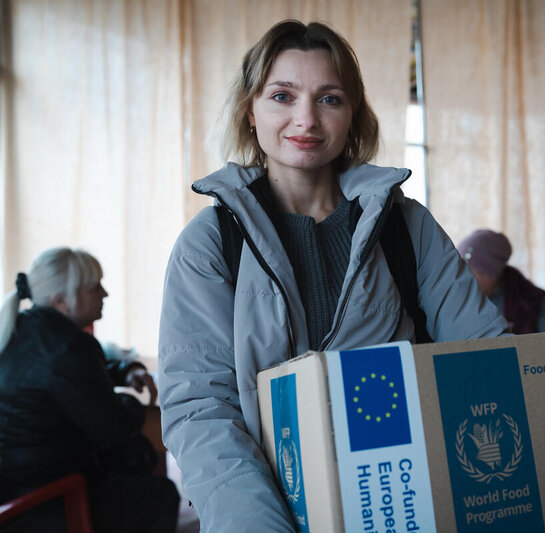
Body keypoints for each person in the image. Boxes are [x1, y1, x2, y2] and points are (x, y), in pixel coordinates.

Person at [158, 19, 507, 532]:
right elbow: (201, 409)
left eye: (329, 99)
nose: (306, 119)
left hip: (406, 504)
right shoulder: (210, 243)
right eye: (282, 95)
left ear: (351, 117)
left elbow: (486, 356)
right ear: (249, 112)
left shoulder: (407, 226)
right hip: (270, 510)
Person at [0, 247, 179, 533]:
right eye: (95, 287)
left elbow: (83, 373)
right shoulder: (67, 348)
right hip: (49, 501)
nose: (105, 294)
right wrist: (131, 402)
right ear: (62, 302)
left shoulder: (21, 330)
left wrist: (127, 370)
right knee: (159, 493)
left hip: (13, 495)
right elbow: (115, 430)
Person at [457, 229, 545, 334]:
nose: (464, 279)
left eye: (472, 272)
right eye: (461, 271)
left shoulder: (537, 303)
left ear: (491, 274)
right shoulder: (459, 303)